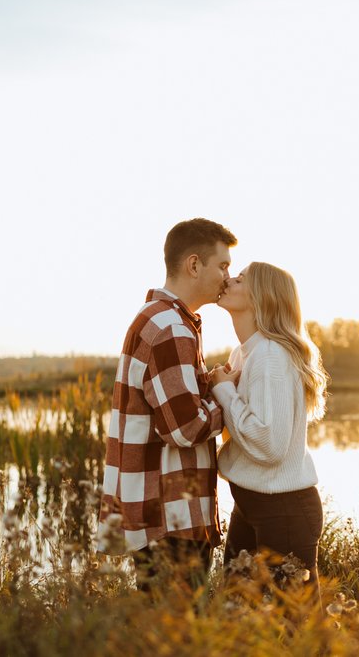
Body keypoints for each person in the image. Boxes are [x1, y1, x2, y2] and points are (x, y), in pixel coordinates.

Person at [97, 218, 237, 592]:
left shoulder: (162, 319)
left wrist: (211, 381)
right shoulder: (171, 328)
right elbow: (184, 427)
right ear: (194, 265)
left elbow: (172, 404)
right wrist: (230, 401)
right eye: (223, 266)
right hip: (171, 516)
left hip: (160, 513)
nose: (228, 276)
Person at [209, 261, 328, 587]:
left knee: (295, 628)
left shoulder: (270, 355)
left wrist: (223, 391)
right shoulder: (244, 353)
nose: (228, 280)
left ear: (261, 297)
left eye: (240, 279)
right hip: (252, 501)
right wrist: (223, 391)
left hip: (284, 509)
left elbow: (269, 444)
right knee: (239, 612)